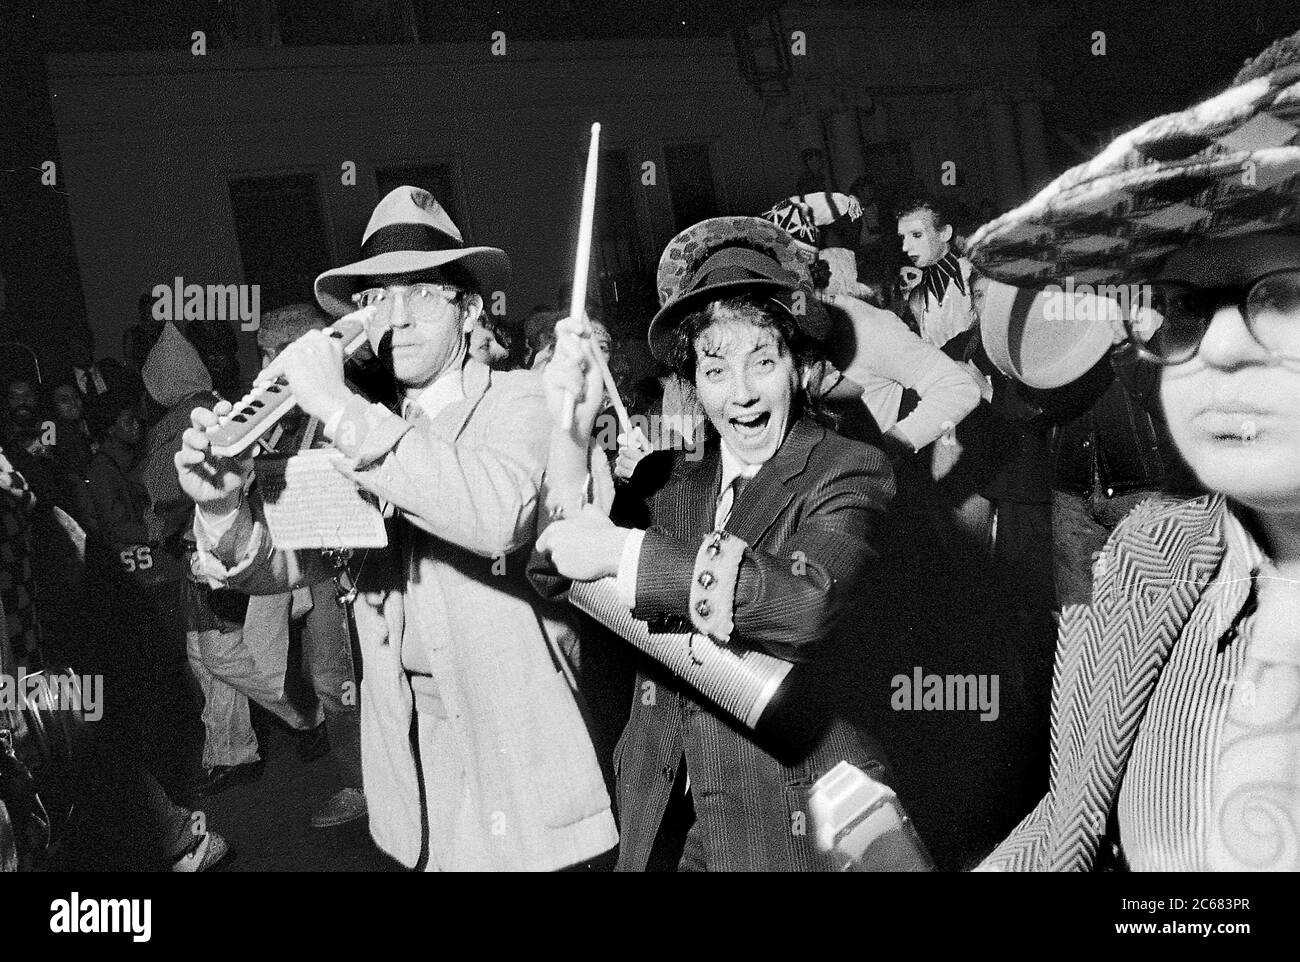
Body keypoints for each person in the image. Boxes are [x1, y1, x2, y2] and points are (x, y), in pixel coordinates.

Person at [179, 186, 617, 871]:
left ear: (469, 309)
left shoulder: (524, 401)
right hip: (415, 759)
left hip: (518, 750)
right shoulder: (357, 429)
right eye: (378, 297)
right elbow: (292, 567)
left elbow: (495, 515)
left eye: (421, 292)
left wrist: (344, 412)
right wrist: (221, 507)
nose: (397, 316)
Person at [974, 29, 1300, 871]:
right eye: (1186, 300)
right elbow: (1063, 832)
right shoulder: (1138, 580)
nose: (1220, 349)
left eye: (1290, 294)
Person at [534, 218, 895, 870]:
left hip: (786, 819)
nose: (741, 394)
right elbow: (553, 569)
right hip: (665, 814)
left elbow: (804, 604)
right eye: (715, 366)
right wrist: (569, 425)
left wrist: (624, 554)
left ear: (804, 370)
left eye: (762, 361)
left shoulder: (848, 469)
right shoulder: (668, 480)